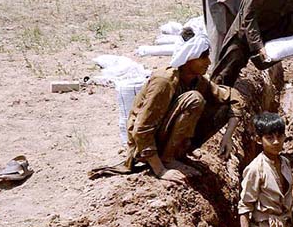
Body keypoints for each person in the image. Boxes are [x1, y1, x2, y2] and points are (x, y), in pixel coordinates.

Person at [89, 29, 243, 184]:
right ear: (188, 58)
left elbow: (233, 97)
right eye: (203, 57)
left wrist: (228, 136)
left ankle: (178, 153)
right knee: (195, 99)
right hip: (145, 144)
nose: (208, 62)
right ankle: (168, 158)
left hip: (162, 137)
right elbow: (142, 129)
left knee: (221, 108)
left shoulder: (197, 80)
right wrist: (160, 170)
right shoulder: (164, 82)